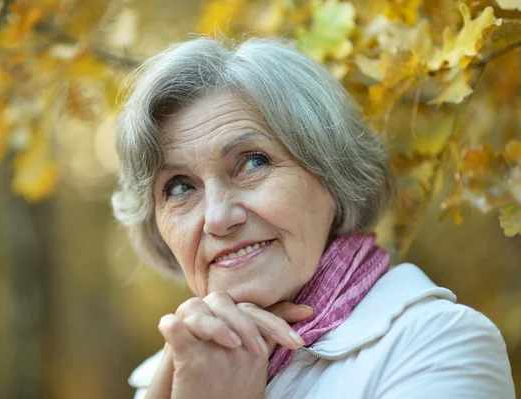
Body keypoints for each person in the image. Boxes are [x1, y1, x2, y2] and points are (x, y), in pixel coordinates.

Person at [111, 37, 515, 398]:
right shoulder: (164, 381)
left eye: (253, 162)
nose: (218, 217)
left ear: (332, 176)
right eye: (180, 187)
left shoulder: (438, 344)